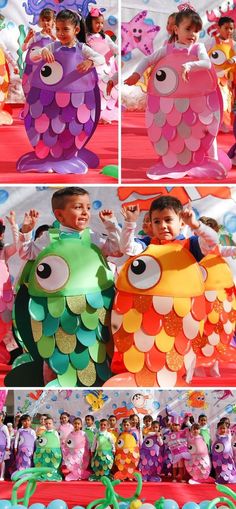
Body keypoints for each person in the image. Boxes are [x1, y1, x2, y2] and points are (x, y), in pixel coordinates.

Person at [18, 187, 122, 261]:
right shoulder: (50, 237)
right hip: (60, 291)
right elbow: (27, 253)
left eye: (88, 208)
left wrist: (112, 226)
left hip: (90, 291)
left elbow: (118, 250)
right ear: (59, 215)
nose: (85, 212)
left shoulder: (93, 236)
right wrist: (26, 232)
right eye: (78, 207)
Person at [125, 9, 210, 87]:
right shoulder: (168, 49)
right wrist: (136, 74)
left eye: (196, 31)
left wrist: (189, 65)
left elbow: (207, 63)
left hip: (194, 89)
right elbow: (147, 60)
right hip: (172, 90)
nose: (193, 34)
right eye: (188, 29)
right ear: (176, 30)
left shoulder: (198, 47)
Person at [119, 196, 219, 260]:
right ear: (152, 226)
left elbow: (212, 242)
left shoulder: (192, 244)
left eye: (168, 220)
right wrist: (130, 221)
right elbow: (126, 248)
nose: (162, 226)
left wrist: (195, 225)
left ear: (182, 223)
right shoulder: (146, 244)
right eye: (157, 221)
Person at [31, 10, 105, 73]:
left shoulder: (81, 48)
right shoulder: (54, 46)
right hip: (56, 86)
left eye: (65, 29)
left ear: (76, 30)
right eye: (57, 29)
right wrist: (43, 51)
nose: (60, 33)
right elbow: (32, 56)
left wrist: (90, 62)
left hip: (74, 87)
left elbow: (102, 59)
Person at [86, 8, 118, 122]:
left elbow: (114, 48)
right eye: (97, 22)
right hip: (91, 68)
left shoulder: (105, 37)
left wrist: (120, 52)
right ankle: (92, 112)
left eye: (102, 23)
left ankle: (103, 113)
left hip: (105, 69)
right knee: (94, 88)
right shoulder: (86, 37)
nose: (100, 25)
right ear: (90, 23)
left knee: (106, 88)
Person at [207, 16, 236, 133]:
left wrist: (233, 59)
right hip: (212, 78)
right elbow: (202, 53)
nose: (229, 31)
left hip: (226, 79)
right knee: (212, 100)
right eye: (226, 28)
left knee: (226, 100)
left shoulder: (233, 43)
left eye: (231, 28)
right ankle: (211, 124)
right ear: (218, 28)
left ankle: (223, 124)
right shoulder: (212, 41)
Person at [0, 212, 19, 364]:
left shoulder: (4, 251)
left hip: (4, 302)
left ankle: (7, 361)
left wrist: (13, 225)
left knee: (7, 333)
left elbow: (19, 245)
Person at [0, 411, 10, 481]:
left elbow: (8, 436)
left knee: (2, 461)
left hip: (2, 446)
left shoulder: (4, 427)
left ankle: (2, 475)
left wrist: (8, 445)